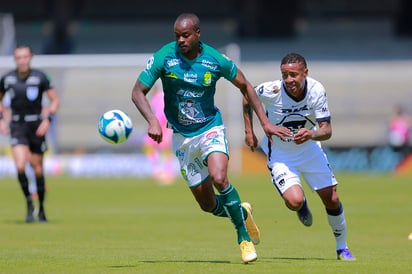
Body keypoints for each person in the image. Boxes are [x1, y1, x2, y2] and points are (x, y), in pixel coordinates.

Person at [131, 13, 289, 263]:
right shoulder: (164, 56)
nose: (181, 40)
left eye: (185, 35)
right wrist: (152, 120)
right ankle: (241, 212)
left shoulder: (215, 60)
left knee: (219, 177)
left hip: (210, 129)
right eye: (177, 36)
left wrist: (260, 125)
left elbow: (246, 86)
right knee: (207, 205)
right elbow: (138, 91)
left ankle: (243, 240)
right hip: (182, 137)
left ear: (197, 34)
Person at [242, 52, 356, 261]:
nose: (289, 80)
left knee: (332, 199)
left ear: (305, 73)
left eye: (294, 75)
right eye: (285, 75)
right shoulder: (272, 90)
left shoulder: (316, 90)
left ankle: (342, 248)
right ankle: (301, 206)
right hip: (281, 154)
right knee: (294, 201)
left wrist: (311, 134)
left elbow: (327, 130)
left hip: (309, 150)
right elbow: (247, 96)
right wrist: (250, 131)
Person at [0, 45, 59, 223]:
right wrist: (2, 118)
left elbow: (55, 100)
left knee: (38, 169)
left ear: (31, 57)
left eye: (25, 57)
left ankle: (41, 208)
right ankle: (28, 202)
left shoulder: (40, 77)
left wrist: (48, 120)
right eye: (19, 57)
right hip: (18, 125)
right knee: (19, 166)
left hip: (36, 125)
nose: (22, 60)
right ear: (15, 59)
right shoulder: (7, 78)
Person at [142, 84, 176, 185]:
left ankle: (164, 172)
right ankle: (164, 172)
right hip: (165, 125)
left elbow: (161, 113)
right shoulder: (159, 97)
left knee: (153, 146)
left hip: (162, 126)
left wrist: (155, 125)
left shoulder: (159, 96)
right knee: (162, 148)